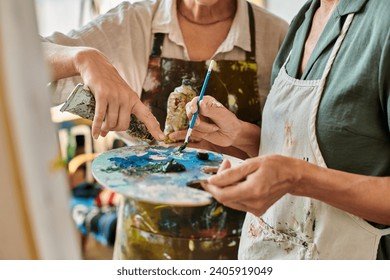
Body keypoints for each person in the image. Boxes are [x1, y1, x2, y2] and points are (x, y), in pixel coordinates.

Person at [41, 0, 288, 259]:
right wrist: (82, 58)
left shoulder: (277, 35)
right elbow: (20, 55)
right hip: (145, 243)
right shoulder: (133, 23)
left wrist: (240, 140)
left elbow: (300, 156)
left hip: (243, 245)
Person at [180, 0, 390, 259]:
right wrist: (240, 137)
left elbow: (297, 168)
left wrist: (297, 178)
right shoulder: (305, 18)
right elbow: (303, 148)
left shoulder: (383, 19)